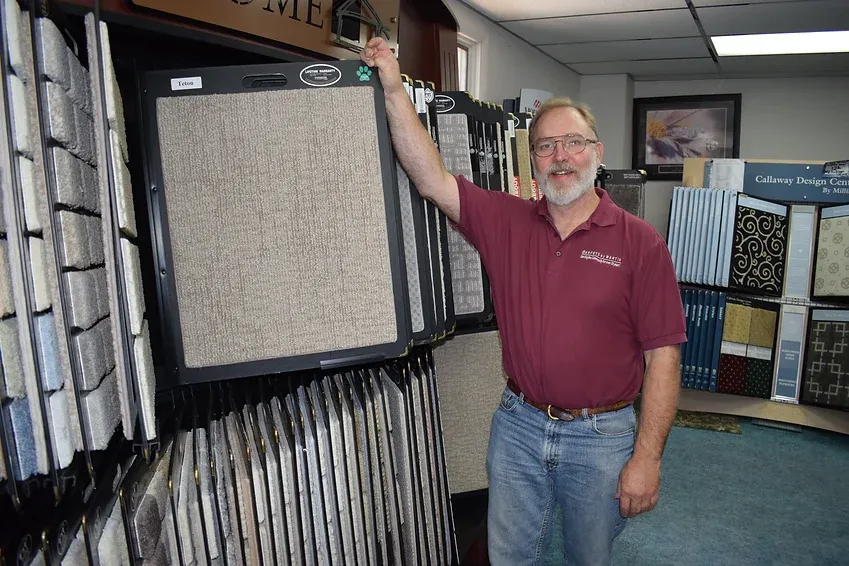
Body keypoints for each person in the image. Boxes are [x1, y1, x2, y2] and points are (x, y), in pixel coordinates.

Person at [361, 37, 687, 565]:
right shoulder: (506, 221)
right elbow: (430, 177)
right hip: (518, 425)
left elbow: (664, 358)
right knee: (509, 556)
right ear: (532, 159)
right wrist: (394, 87)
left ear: (597, 154)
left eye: (573, 143)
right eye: (545, 146)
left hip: (601, 436)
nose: (560, 156)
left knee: (589, 556)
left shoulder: (639, 243)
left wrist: (647, 457)